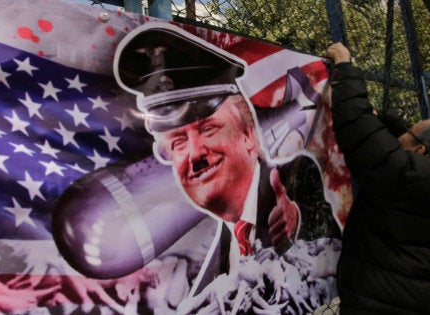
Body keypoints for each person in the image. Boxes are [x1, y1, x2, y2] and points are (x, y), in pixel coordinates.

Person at [115, 23, 341, 289]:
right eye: (177, 143)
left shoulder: (299, 176)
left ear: (248, 133)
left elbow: (326, 240)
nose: (195, 152)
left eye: (209, 129)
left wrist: (300, 220)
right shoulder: (206, 282)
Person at [326, 42, 430, 314]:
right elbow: (397, 143)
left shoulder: (404, 178)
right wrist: (389, 121)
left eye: (409, 132)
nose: (399, 136)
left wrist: (345, 66)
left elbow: (356, 126)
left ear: (420, 151)